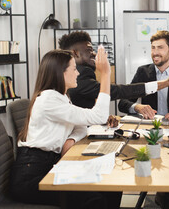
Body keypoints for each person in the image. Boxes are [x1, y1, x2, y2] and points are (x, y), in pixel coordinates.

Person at [10, 48, 122, 208]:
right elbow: (99, 116)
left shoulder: (61, 97)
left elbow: (81, 126)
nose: (78, 73)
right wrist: (105, 74)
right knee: (93, 198)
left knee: (109, 185)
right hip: (31, 176)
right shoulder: (49, 100)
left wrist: (71, 139)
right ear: (60, 73)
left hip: (48, 163)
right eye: (74, 69)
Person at [59, 31, 169, 109]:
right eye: (89, 50)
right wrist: (166, 83)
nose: (94, 53)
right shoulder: (81, 74)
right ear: (75, 53)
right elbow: (117, 91)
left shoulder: (66, 72)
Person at [118, 30, 169, 124]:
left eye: (160, 48)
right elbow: (122, 103)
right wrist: (137, 107)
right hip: (149, 127)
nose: (155, 52)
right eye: (153, 48)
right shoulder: (142, 72)